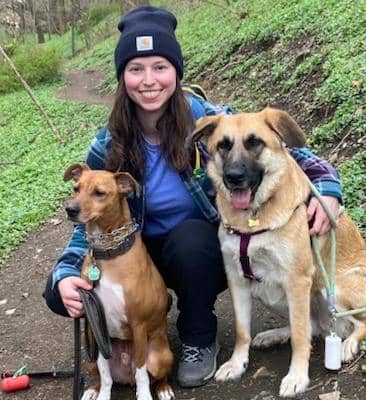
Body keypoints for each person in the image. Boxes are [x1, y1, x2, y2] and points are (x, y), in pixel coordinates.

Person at [43, 6, 342, 389]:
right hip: (136, 258)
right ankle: (140, 318)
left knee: (191, 240)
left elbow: (291, 153)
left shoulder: (207, 120)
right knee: (57, 294)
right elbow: (88, 217)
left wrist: (327, 190)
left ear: (176, 71)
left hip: (198, 255)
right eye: (135, 69)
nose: (148, 81)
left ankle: (198, 335)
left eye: (160, 67)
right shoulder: (108, 145)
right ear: (122, 77)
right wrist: (67, 274)